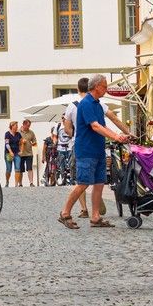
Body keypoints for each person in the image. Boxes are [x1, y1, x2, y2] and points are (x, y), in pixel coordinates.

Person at [59, 74, 129, 230]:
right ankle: (65, 213)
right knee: (83, 183)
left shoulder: (97, 104)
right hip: (86, 149)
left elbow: (104, 126)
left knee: (99, 183)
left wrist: (119, 135)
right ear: (96, 86)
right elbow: (95, 126)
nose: (106, 89)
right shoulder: (86, 104)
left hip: (98, 149)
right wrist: (116, 136)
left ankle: (95, 217)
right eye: (105, 86)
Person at [19, 119, 38, 187]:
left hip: (29, 153)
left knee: (30, 168)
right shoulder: (18, 132)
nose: (29, 127)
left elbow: (34, 141)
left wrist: (34, 143)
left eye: (29, 126)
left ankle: (31, 183)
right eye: (27, 126)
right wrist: (21, 142)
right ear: (23, 124)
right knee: (20, 169)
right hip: (20, 154)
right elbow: (15, 142)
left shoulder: (31, 132)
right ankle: (20, 183)